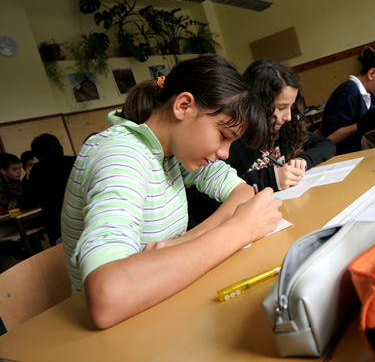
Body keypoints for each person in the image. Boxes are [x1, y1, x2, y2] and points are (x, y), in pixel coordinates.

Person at [61, 56, 282, 329]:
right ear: (184, 106)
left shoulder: (170, 152)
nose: (224, 153)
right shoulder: (121, 156)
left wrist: (190, 239)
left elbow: (243, 191)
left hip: (162, 306)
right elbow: (108, 297)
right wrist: (240, 229)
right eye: (223, 135)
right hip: (123, 328)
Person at [186, 59, 336, 225]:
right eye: (281, 108)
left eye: (291, 107)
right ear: (259, 103)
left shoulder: (286, 129)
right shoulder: (230, 141)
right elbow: (199, 199)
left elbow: (327, 144)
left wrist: (303, 160)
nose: (288, 116)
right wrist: (270, 178)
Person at [322, 47, 375, 155]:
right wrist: (369, 122)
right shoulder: (349, 90)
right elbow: (331, 136)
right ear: (372, 73)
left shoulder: (370, 95)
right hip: (344, 157)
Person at [23, 134, 76, 245]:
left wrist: (27, 180)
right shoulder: (75, 161)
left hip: (59, 227)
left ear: (38, 154)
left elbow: (29, 200)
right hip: (85, 219)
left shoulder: (38, 170)